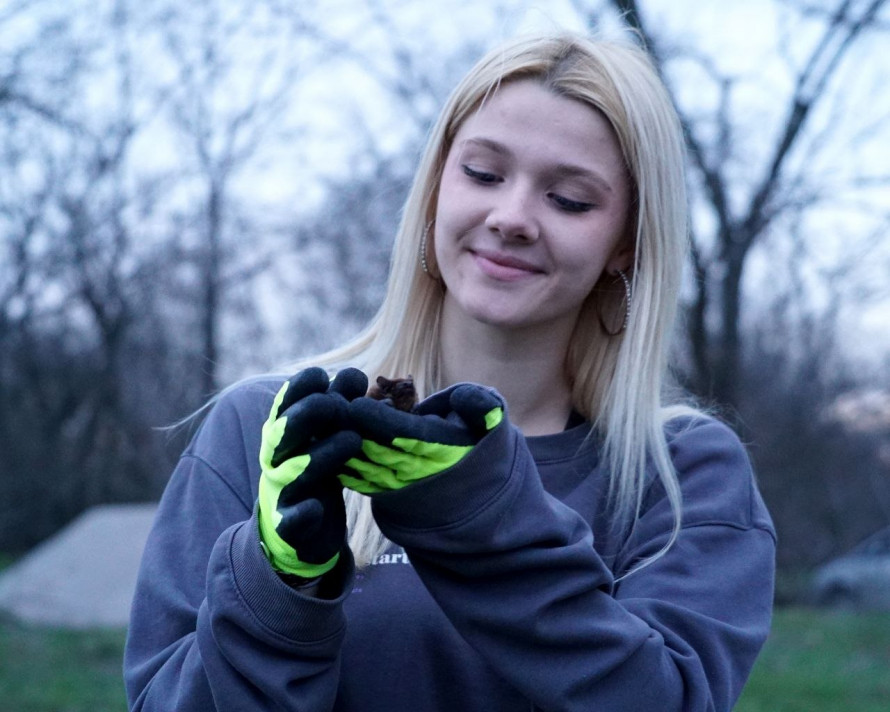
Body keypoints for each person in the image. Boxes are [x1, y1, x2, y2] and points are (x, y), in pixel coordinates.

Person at [124, 32, 775, 712]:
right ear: (436, 187)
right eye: (484, 174)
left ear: (625, 244)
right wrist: (277, 588)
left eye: (570, 199)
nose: (512, 218)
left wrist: (478, 518)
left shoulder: (684, 475)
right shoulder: (268, 430)